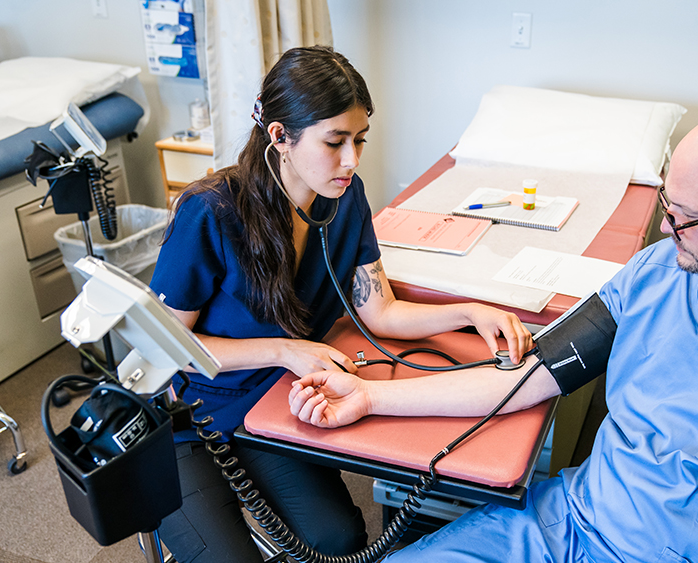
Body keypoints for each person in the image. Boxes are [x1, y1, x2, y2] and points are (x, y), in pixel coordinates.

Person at [289, 105, 698, 562]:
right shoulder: (660, 273)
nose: (665, 230)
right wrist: (371, 395)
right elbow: (529, 375)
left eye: (684, 218)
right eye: (668, 207)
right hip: (567, 528)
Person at [149, 45, 532, 563]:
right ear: (280, 136)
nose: (351, 159)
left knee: (338, 541)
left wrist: (468, 312)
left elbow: (380, 312)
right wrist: (284, 350)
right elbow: (166, 346)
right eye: (334, 142)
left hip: (275, 404)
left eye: (359, 140)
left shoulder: (344, 198)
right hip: (190, 421)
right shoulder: (211, 211)